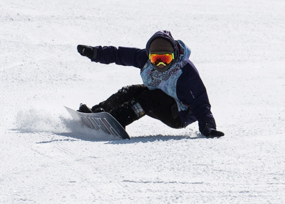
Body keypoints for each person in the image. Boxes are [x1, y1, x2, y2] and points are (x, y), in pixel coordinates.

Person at [76, 30, 223, 137]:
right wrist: (94, 53)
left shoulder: (185, 73)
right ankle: (100, 111)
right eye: (155, 59)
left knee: (151, 97)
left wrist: (208, 127)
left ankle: (118, 119)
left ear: (174, 56)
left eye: (164, 59)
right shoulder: (143, 58)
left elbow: (200, 103)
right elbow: (118, 55)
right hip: (156, 99)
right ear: (149, 56)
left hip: (177, 115)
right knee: (133, 91)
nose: (159, 64)